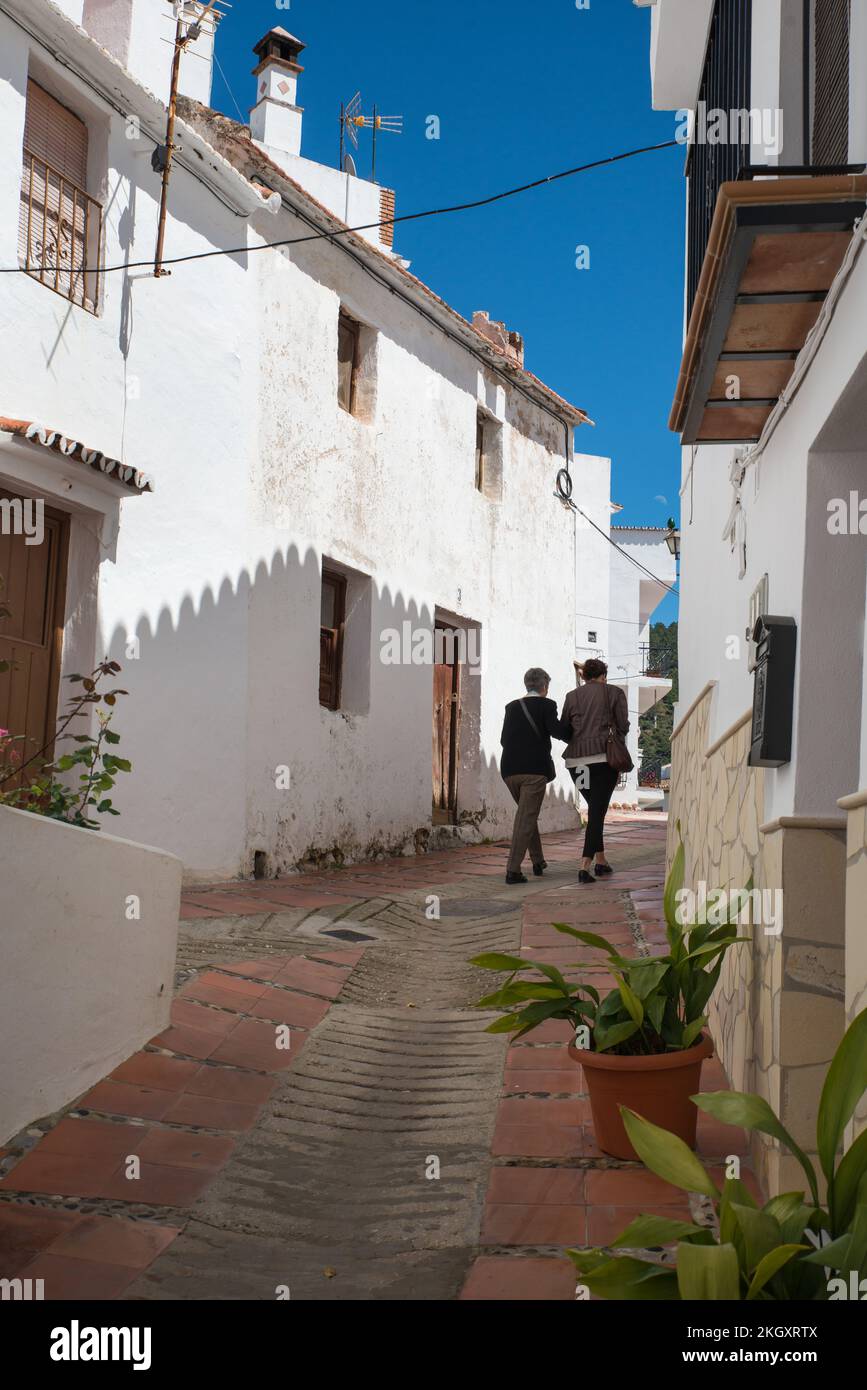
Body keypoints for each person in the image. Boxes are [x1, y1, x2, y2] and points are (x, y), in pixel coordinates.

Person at [560, 658, 629, 883]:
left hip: (575, 763)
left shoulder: (572, 696)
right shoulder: (615, 693)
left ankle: (601, 860)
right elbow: (623, 725)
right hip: (603, 760)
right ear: (603, 675)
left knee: (595, 808)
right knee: (597, 811)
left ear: (584, 676)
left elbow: (565, 729)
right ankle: (584, 866)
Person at [500, 667, 566, 885]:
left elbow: (503, 739)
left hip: (509, 771)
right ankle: (513, 870)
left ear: (526, 684)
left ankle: (538, 861)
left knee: (526, 816)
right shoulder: (547, 705)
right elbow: (559, 732)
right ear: (544, 686)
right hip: (534, 772)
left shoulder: (511, 707)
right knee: (525, 819)